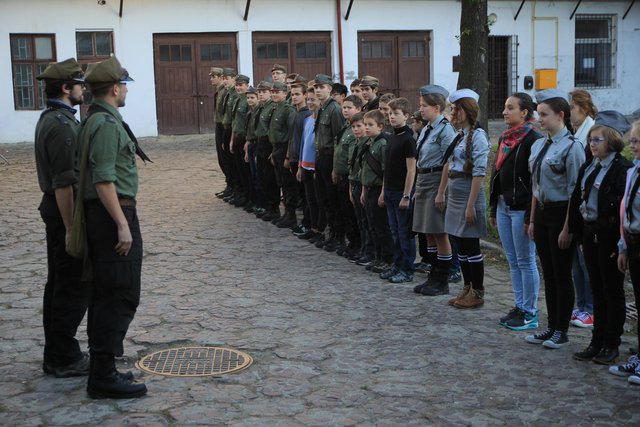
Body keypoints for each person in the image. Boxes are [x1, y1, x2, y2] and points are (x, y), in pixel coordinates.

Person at [78, 56, 147, 398]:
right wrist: (122, 224)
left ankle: (103, 367)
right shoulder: (105, 124)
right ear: (116, 88)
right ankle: (103, 375)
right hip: (112, 215)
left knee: (110, 294)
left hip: (110, 213)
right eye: (124, 85)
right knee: (119, 294)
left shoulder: (101, 118)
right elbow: (104, 180)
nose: (125, 90)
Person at [34, 58, 89, 378]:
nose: (84, 89)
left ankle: (56, 351)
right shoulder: (61, 125)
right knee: (71, 284)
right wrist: (72, 229)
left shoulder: (54, 118)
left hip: (56, 210)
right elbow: (64, 183)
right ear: (66, 88)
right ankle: (63, 356)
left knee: (60, 283)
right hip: (62, 212)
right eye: (80, 84)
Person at [569, 111, 632, 364]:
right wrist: (576, 232)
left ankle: (611, 343)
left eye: (598, 140)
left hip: (609, 237)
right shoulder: (590, 164)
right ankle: (596, 341)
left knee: (612, 291)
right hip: (590, 233)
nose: (592, 144)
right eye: (591, 139)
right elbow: (579, 198)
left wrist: (620, 243)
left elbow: (622, 210)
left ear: (612, 141)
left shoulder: (622, 169)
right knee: (596, 288)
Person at [525, 89, 585, 349]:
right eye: (538, 114)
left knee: (562, 274)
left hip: (563, 213)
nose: (540, 119)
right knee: (548, 273)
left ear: (561, 115)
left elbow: (576, 189)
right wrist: (531, 219)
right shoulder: (540, 144)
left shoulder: (573, 147)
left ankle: (562, 329)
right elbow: (536, 185)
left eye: (545, 115)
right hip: (542, 212)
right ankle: (550, 327)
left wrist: (568, 227)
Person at [489, 93, 542, 329]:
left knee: (525, 260)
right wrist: (492, 207)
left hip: (521, 207)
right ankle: (519, 305)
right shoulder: (505, 137)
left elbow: (534, 183)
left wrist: (531, 217)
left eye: (510, 108)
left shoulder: (533, 140)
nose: (504, 112)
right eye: (504, 107)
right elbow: (496, 174)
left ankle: (530, 312)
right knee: (512, 260)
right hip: (503, 204)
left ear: (524, 112)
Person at [444, 89, 490, 309]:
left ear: (465, 110)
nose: (452, 112)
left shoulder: (478, 136)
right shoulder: (459, 134)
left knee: (471, 244)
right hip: (456, 190)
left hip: (468, 192)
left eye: (455, 108)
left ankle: (477, 290)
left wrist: (471, 205)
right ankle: (467, 286)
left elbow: (479, 172)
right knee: (460, 243)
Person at [412, 85, 457, 296]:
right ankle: (432, 275)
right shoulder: (428, 128)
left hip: (436, 180)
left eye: (424, 106)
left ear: (437, 107)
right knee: (428, 231)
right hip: (423, 178)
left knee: (439, 232)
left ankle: (442, 279)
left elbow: (449, 160)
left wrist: (441, 191)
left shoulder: (445, 129)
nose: (421, 109)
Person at [612, 120, 640, 383]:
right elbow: (625, 209)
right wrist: (623, 245)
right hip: (632, 239)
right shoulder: (634, 171)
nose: (633, 146)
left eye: (637, 141)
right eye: (632, 141)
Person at [569, 89, 598, 329]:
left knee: (586, 261)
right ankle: (581, 306)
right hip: (576, 208)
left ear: (583, 108)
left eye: (571, 108)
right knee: (576, 263)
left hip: (587, 207)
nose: (569, 113)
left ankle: (590, 309)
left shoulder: (592, 133)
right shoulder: (578, 132)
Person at [380, 97, 417, 283]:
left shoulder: (408, 139)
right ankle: (397, 265)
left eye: (396, 114)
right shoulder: (392, 136)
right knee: (394, 232)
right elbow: (387, 167)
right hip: (390, 191)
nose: (391, 116)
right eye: (390, 113)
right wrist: (383, 190)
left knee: (404, 234)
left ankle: (407, 269)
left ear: (407, 116)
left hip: (402, 193)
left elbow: (411, 169)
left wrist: (406, 195)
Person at [313, 74, 346, 249]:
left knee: (332, 199)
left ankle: (338, 235)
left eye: (322, 87)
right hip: (320, 157)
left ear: (330, 89)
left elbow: (338, 139)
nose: (318, 90)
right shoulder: (322, 108)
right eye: (316, 87)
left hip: (329, 157)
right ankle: (331, 232)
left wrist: (335, 167)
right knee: (323, 198)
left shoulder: (334, 109)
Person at [359, 109, 394, 273]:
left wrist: (383, 192)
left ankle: (387, 259)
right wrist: (363, 191)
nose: (366, 128)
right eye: (365, 125)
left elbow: (386, 171)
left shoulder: (382, 144)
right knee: (372, 226)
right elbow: (365, 170)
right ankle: (378, 256)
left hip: (379, 189)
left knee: (382, 227)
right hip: (369, 188)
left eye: (370, 125)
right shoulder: (369, 143)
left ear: (380, 126)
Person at [332, 94, 362, 256]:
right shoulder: (345, 127)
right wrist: (335, 169)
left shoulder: (356, 129)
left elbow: (353, 158)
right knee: (345, 212)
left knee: (353, 213)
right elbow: (339, 152)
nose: (345, 110)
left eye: (349, 108)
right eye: (344, 107)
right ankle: (352, 242)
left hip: (351, 177)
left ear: (358, 109)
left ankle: (357, 244)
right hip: (342, 175)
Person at [297, 84, 325, 242]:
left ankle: (319, 229)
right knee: (310, 199)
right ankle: (312, 227)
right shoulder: (307, 119)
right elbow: (303, 143)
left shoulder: (321, 120)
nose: (309, 103)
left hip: (316, 166)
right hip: (305, 165)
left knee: (319, 199)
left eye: (313, 100)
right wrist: (300, 165)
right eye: (308, 100)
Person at [349, 112, 376, 265]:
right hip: (355, 183)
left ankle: (370, 252)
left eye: (360, 126)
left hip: (364, 184)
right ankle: (364, 249)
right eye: (354, 127)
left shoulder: (367, 144)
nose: (357, 129)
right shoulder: (356, 143)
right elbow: (351, 167)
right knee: (360, 220)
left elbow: (364, 168)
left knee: (368, 222)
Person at [286, 77, 312, 235]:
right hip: (294, 158)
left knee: (306, 196)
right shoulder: (293, 114)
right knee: (299, 193)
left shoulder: (307, 115)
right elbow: (292, 137)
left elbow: (306, 141)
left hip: (303, 160)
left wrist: (301, 162)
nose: (294, 97)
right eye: (292, 94)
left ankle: (307, 223)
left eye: (297, 94)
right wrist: (288, 157)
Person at [255, 81, 280, 222]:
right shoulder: (262, 107)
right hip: (260, 143)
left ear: (270, 93)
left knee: (270, 178)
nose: (261, 94)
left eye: (264, 92)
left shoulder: (272, 108)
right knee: (262, 177)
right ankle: (268, 206)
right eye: (259, 92)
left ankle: (273, 208)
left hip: (269, 144)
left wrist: (273, 149)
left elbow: (273, 129)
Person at [229, 74, 252, 209]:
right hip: (237, 136)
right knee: (239, 170)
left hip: (244, 138)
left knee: (246, 171)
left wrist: (247, 141)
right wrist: (232, 140)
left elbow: (250, 123)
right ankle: (242, 194)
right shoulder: (237, 100)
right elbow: (234, 122)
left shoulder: (248, 100)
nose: (238, 87)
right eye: (237, 85)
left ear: (247, 85)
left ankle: (249, 197)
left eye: (241, 85)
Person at [210, 67, 230, 199]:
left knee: (226, 158)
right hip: (219, 125)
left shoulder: (225, 93)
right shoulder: (219, 92)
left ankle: (232, 185)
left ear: (221, 77)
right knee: (222, 159)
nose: (211, 79)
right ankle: (229, 185)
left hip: (224, 126)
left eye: (213, 76)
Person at [220, 68, 239, 205]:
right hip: (226, 128)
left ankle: (237, 190)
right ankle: (232, 187)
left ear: (233, 78)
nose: (225, 81)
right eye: (224, 78)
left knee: (235, 164)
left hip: (234, 130)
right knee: (227, 160)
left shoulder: (235, 95)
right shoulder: (227, 93)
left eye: (227, 78)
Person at [244, 86, 262, 213]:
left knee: (259, 176)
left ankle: (261, 203)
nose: (250, 100)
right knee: (253, 175)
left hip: (258, 145)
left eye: (252, 97)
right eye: (248, 98)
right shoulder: (250, 112)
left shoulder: (259, 112)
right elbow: (249, 132)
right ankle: (256, 201)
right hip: (251, 144)